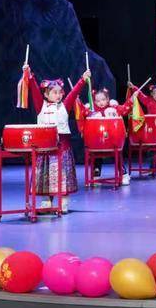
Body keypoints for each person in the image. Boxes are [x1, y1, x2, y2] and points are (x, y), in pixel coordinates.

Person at [24, 64, 89, 213]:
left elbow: (74, 92)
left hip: (62, 147)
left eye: (60, 92)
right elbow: (34, 90)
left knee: (62, 174)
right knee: (45, 174)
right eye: (54, 92)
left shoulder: (64, 106)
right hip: (44, 148)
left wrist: (83, 79)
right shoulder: (41, 106)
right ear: (46, 95)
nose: (58, 95)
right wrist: (29, 75)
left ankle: (64, 199)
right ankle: (47, 199)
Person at [81, 87, 133, 185]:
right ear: (94, 101)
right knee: (96, 157)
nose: (101, 102)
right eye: (98, 101)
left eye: (103, 99)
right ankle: (96, 175)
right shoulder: (92, 111)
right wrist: (79, 103)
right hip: (98, 142)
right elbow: (82, 112)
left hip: (112, 140)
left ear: (108, 99)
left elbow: (124, 110)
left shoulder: (113, 108)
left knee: (117, 156)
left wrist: (131, 100)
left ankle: (123, 174)